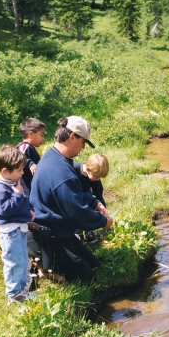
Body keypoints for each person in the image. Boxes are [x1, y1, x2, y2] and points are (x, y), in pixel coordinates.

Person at [29, 115, 113, 283]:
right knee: (87, 279)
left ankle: (48, 262)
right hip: (49, 235)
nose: (83, 148)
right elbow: (77, 212)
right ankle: (43, 267)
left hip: (59, 229)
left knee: (93, 265)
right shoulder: (62, 171)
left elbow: (73, 194)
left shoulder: (55, 157)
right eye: (83, 142)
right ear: (72, 137)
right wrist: (103, 222)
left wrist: (94, 202)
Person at [0, 144, 37, 305]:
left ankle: (22, 290)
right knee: (13, 262)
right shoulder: (1, 188)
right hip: (10, 233)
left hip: (19, 228)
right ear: (5, 171)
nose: (22, 173)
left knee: (22, 259)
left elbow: (24, 198)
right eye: (19, 170)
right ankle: (14, 294)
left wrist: (29, 208)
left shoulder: (13, 181)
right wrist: (17, 195)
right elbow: (3, 211)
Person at [74, 154, 109, 243]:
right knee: (78, 209)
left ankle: (89, 230)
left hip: (86, 194)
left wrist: (102, 210)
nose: (98, 179)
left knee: (91, 203)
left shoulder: (94, 177)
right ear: (88, 170)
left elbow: (98, 194)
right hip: (73, 195)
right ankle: (78, 232)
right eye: (97, 177)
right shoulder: (73, 170)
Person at [16, 118, 46, 192]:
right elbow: (18, 159)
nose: (43, 138)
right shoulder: (24, 146)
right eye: (41, 135)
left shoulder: (30, 148)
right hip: (25, 187)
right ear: (30, 134)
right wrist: (30, 163)